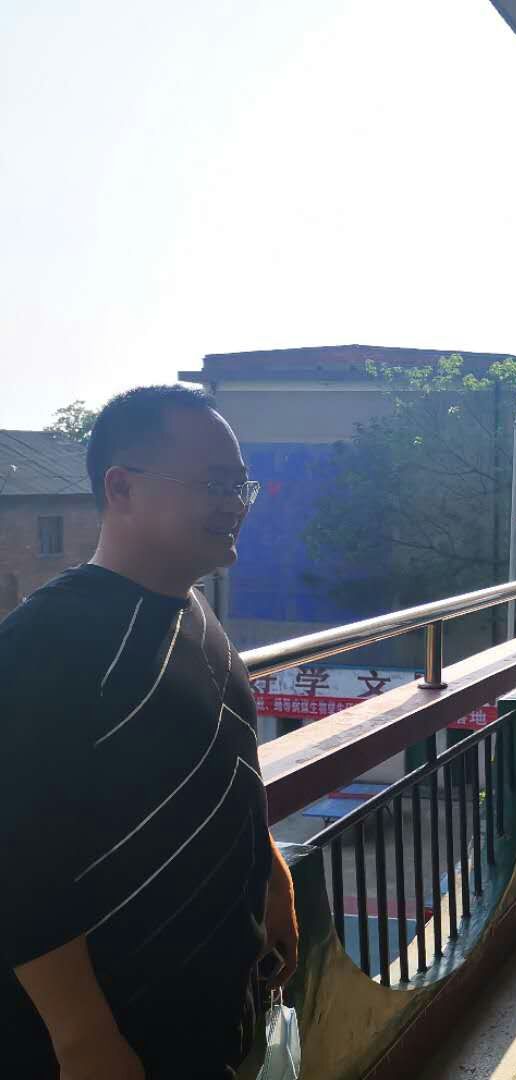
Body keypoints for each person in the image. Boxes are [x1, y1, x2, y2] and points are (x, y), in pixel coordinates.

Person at [0, 386, 298, 1079]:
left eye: (239, 484)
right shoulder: (48, 641)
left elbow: (221, 763)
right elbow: (18, 860)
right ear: (122, 488)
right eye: (212, 484)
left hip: (210, 1017)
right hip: (114, 1041)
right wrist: (83, 1038)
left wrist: (272, 877)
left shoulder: (192, 611)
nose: (235, 504)